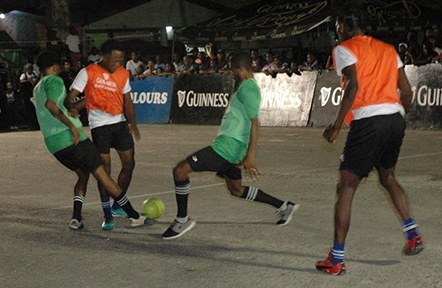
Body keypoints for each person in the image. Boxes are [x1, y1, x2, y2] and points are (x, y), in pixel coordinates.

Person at [316, 14, 423, 276]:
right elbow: (407, 92)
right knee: (388, 178)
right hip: (395, 118)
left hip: (367, 121)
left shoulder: (344, 49)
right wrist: (397, 119)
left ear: (343, 28)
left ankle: (337, 259)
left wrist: (337, 125)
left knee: (346, 187)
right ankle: (413, 234)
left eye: (336, 29)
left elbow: (352, 85)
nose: (336, 34)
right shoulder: (388, 49)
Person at [162, 52, 299, 240]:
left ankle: (182, 219)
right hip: (232, 148)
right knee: (236, 189)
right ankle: (284, 206)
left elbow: (254, 123)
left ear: (240, 69)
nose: (231, 73)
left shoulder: (248, 89)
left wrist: (250, 155)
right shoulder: (246, 87)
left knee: (180, 171)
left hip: (227, 148)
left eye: (232, 69)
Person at [32, 51, 151, 230]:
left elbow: (54, 106)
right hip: (70, 138)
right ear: (55, 66)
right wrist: (72, 126)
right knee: (102, 174)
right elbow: (51, 106)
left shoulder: (37, 87)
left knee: (82, 174)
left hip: (53, 144)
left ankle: (76, 218)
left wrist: (75, 108)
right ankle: (133, 216)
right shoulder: (54, 81)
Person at [65, 40, 141, 230]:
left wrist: (133, 124)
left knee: (129, 164)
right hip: (99, 126)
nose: (119, 64)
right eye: (116, 60)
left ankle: (118, 205)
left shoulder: (123, 74)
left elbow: (128, 102)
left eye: (121, 60)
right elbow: (70, 97)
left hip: (119, 123)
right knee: (104, 171)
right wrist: (72, 108)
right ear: (104, 57)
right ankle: (107, 215)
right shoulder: (88, 72)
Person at [20, 63, 40, 130]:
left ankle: (37, 124)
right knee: (29, 110)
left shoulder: (34, 74)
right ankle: (31, 125)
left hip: (35, 94)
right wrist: (29, 81)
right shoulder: (24, 75)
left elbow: (38, 78)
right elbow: (21, 81)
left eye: (31, 68)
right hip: (27, 95)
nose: (30, 70)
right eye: (29, 69)